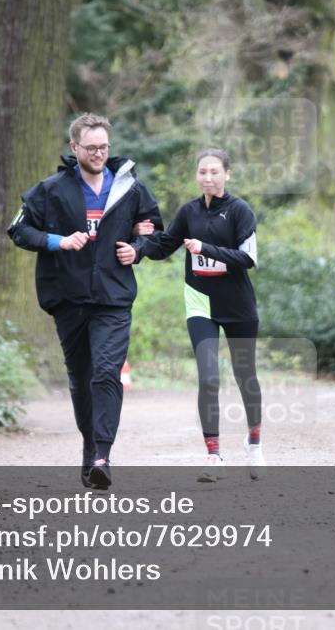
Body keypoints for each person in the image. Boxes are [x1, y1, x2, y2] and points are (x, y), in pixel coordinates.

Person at [7, 113, 163, 490]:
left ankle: (103, 456)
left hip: (113, 297)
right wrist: (58, 241)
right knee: (80, 379)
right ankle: (90, 447)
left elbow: (157, 233)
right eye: (91, 147)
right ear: (74, 147)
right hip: (68, 296)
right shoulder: (51, 190)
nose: (98, 153)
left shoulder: (129, 188)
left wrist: (138, 249)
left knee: (105, 373)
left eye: (104, 147)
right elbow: (19, 229)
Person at [135, 149, 264, 481]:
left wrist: (205, 249)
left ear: (227, 175)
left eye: (215, 172)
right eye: (203, 172)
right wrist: (140, 243)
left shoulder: (240, 211)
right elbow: (164, 246)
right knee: (209, 378)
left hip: (237, 306)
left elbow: (247, 258)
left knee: (245, 376)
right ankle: (214, 455)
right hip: (200, 303)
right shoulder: (189, 211)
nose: (208, 178)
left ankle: (254, 445)